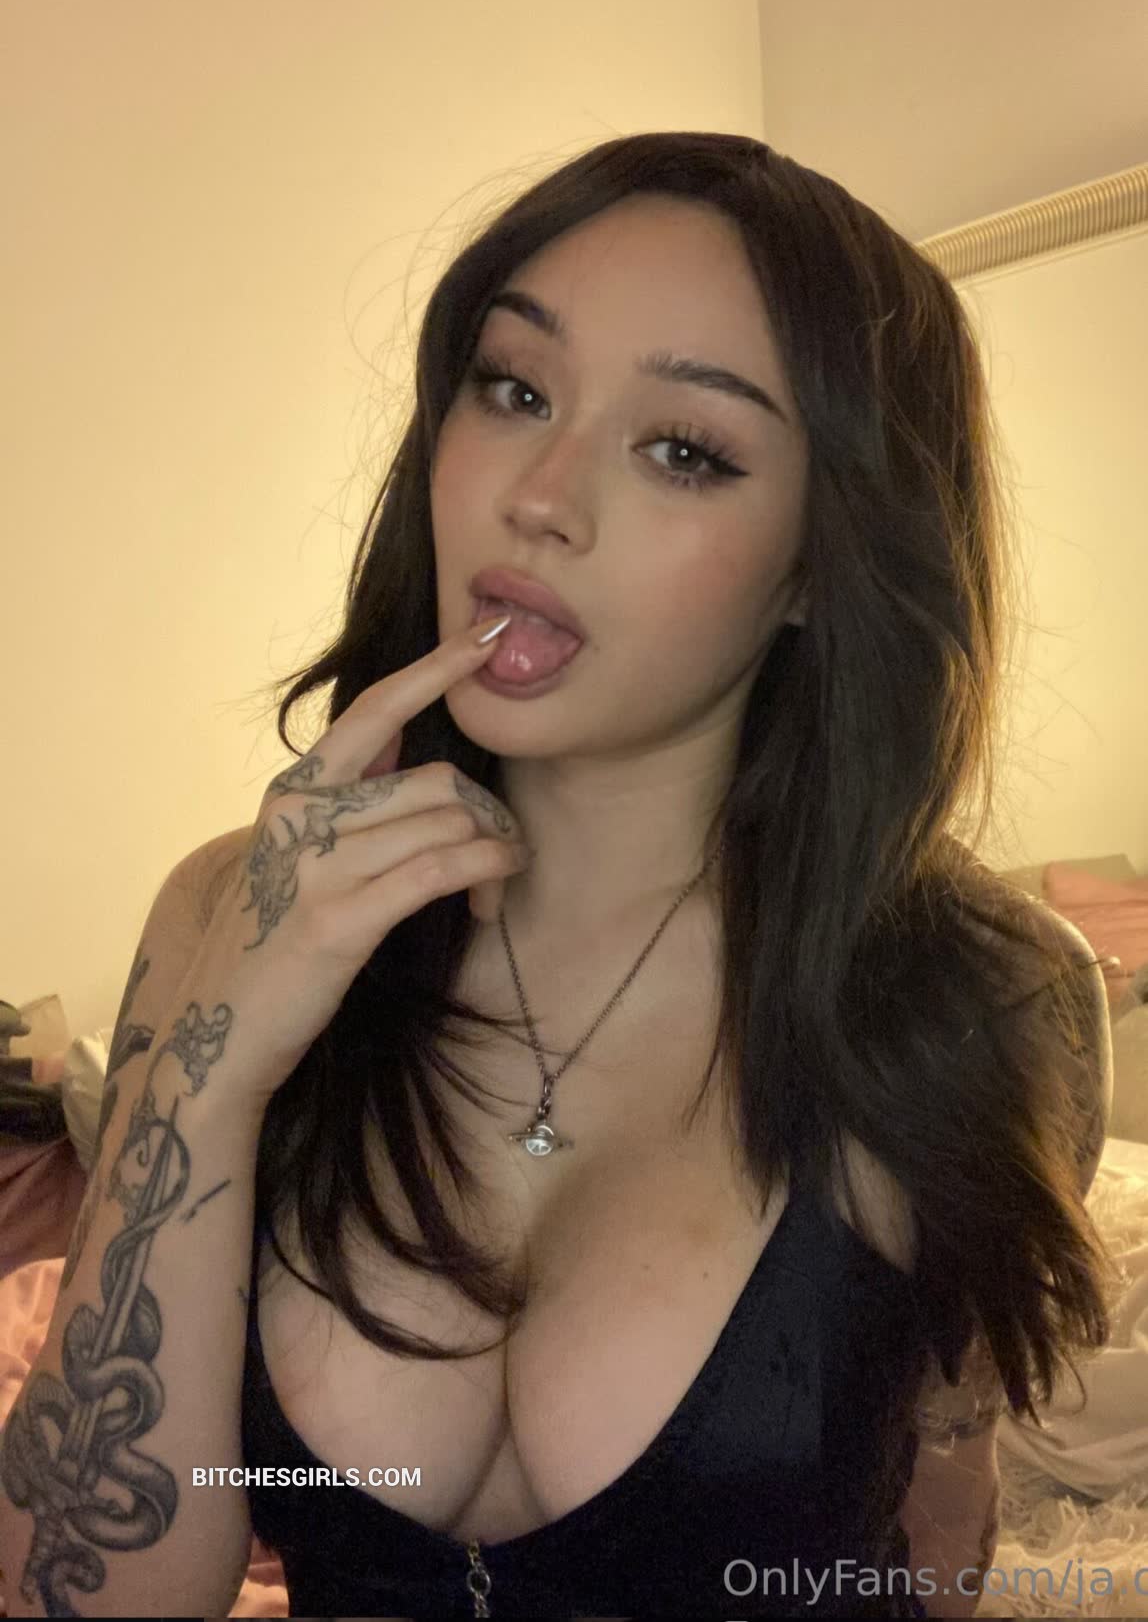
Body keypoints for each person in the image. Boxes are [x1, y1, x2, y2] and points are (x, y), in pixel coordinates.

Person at [0, 133, 1115, 1621]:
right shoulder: (228, 907)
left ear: (818, 565)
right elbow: (78, 1593)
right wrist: (208, 1080)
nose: (540, 497)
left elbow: (935, 1539)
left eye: (685, 450)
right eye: (515, 389)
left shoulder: (980, 990)